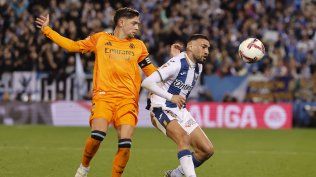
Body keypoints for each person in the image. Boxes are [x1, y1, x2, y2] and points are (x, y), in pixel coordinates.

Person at [35, 7, 159, 177]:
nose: (137, 27)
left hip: (128, 101)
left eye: (138, 24)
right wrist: (47, 30)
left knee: (125, 144)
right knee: (97, 135)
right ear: (121, 23)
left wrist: (174, 69)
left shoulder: (138, 46)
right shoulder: (100, 39)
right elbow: (73, 46)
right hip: (104, 97)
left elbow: (151, 71)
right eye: (134, 23)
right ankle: (84, 166)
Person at [141, 34, 214, 177]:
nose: (207, 51)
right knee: (184, 139)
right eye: (203, 46)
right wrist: (170, 97)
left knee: (207, 150)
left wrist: (177, 56)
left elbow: (178, 71)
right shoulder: (177, 62)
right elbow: (146, 83)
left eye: (208, 48)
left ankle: (174, 175)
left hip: (180, 111)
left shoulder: (198, 66)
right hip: (160, 108)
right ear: (191, 47)